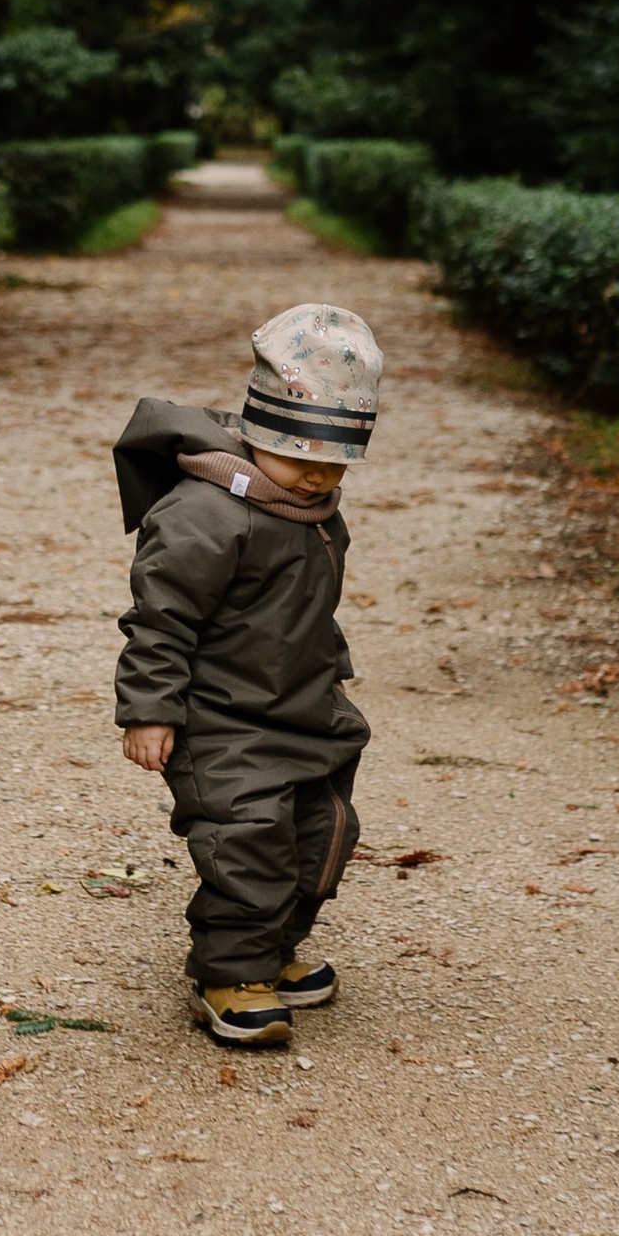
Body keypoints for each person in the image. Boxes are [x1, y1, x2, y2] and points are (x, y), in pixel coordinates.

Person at [111, 303, 382, 1049]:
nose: (317, 478)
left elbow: (305, 613)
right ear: (260, 433)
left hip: (304, 710)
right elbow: (160, 619)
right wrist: (149, 708)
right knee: (248, 840)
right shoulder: (206, 515)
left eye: (334, 465)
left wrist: (330, 677)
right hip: (221, 722)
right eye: (302, 461)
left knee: (322, 833)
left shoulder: (316, 510)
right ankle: (229, 974)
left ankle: (271, 954)